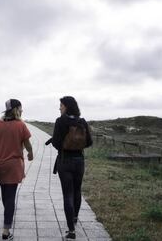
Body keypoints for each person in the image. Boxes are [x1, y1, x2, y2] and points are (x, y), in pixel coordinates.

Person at [0, 99, 34, 240]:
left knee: (6, 196)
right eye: (21, 108)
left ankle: (7, 220)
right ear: (16, 109)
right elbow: (28, 145)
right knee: (10, 198)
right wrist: (30, 155)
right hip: (13, 167)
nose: (22, 110)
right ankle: (6, 230)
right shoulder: (20, 125)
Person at [51, 96, 92, 240]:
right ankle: (74, 217)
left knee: (67, 194)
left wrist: (65, 146)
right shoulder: (82, 122)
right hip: (79, 160)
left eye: (61, 105)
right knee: (77, 190)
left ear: (66, 106)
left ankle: (71, 229)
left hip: (65, 161)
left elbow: (55, 143)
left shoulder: (60, 121)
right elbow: (89, 142)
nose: (59, 108)